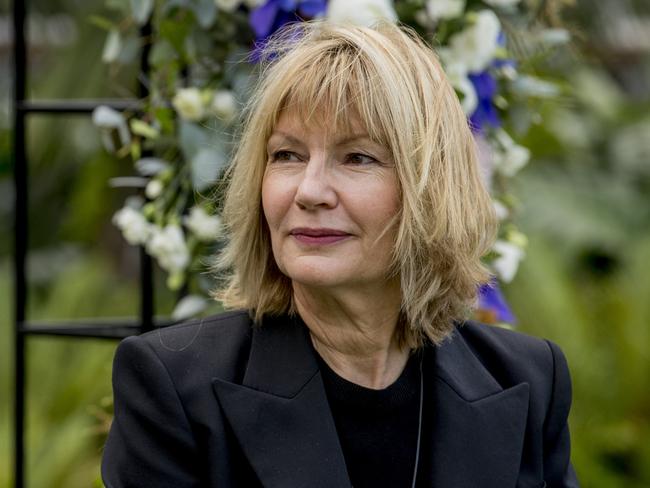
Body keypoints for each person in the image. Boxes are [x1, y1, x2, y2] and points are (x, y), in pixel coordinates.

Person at [101, 21, 579, 488]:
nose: (309, 191)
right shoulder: (175, 386)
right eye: (287, 155)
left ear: (431, 191)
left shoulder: (528, 380)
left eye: (357, 158)